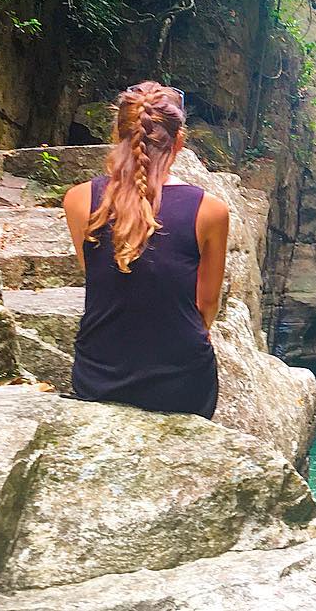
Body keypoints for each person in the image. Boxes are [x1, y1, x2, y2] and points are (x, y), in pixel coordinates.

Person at [62, 81, 230, 419]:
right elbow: (206, 304)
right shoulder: (210, 210)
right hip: (181, 384)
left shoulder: (78, 199)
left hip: (98, 377)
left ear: (118, 134)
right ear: (179, 142)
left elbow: (99, 278)